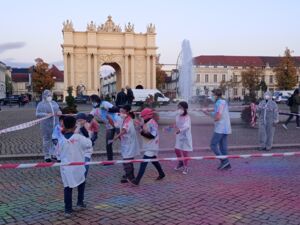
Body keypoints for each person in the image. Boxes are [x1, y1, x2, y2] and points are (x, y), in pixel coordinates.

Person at [59, 116, 93, 217]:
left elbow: (56, 153)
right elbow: (89, 144)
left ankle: (68, 209)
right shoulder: (79, 137)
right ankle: (80, 202)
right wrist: (85, 132)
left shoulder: (60, 139)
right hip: (78, 166)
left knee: (67, 188)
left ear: (63, 125)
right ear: (74, 126)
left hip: (66, 167)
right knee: (81, 183)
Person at [129, 108, 165, 186]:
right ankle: (161, 173)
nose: (141, 117)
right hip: (148, 145)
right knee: (154, 160)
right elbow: (140, 125)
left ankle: (137, 180)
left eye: (142, 116)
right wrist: (133, 117)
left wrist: (142, 132)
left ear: (147, 116)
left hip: (152, 146)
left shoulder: (153, 123)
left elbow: (152, 135)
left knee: (144, 162)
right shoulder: (146, 121)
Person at [111, 105, 140, 183]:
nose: (120, 113)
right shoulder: (124, 118)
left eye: (122, 111)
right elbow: (116, 124)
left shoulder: (128, 120)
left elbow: (124, 130)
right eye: (120, 111)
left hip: (129, 143)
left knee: (127, 160)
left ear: (127, 112)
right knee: (128, 160)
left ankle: (131, 178)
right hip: (126, 142)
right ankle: (129, 175)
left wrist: (116, 137)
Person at [89, 94, 121, 161]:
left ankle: (129, 156)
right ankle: (110, 160)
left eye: (92, 101)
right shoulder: (95, 109)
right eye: (91, 101)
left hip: (117, 124)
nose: (91, 102)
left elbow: (116, 109)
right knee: (108, 143)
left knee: (123, 140)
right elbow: (90, 116)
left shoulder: (104, 103)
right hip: (109, 127)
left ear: (96, 100)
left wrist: (107, 109)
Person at [207, 89, 232, 170]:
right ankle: (226, 165)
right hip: (226, 127)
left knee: (213, 145)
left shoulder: (219, 102)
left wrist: (213, 119)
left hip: (220, 128)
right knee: (223, 147)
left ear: (216, 95)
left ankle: (224, 161)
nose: (212, 96)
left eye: (213, 94)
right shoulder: (223, 101)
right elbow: (218, 113)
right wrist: (208, 113)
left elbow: (218, 117)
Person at [36, 90, 62, 162]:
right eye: (48, 95)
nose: (50, 97)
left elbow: (59, 110)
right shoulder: (41, 104)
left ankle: (55, 154)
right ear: (44, 96)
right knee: (47, 140)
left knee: (56, 140)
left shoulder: (54, 103)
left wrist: (60, 112)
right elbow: (37, 114)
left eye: (50, 95)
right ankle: (47, 155)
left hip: (56, 125)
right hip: (46, 125)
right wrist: (46, 115)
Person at [174, 101, 193, 175]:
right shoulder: (177, 116)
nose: (179, 109)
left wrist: (180, 130)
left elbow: (187, 126)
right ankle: (181, 162)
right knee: (176, 150)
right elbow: (176, 124)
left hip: (186, 136)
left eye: (180, 107)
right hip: (179, 135)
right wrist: (170, 128)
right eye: (178, 107)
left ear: (185, 108)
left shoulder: (187, 117)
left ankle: (186, 166)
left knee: (185, 152)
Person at [75, 113, 95, 177]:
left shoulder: (88, 125)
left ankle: (83, 179)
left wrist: (82, 127)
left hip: (87, 150)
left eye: (81, 120)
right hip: (78, 150)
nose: (79, 122)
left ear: (85, 120)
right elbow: (75, 134)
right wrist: (78, 127)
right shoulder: (76, 127)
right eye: (78, 120)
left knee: (85, 166)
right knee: (77, 166)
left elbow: (88, 135)